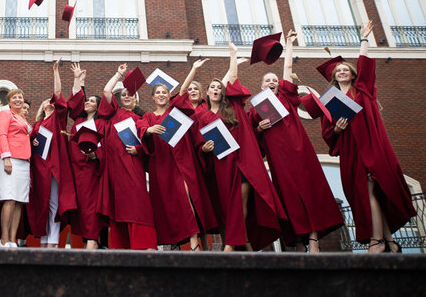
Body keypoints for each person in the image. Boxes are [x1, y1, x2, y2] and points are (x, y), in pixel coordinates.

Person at [319, 21, 416, 253]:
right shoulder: (330, 101)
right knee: (367, 192)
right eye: (338, 70)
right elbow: (328, 133)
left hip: (370, 147)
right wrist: (338, 130)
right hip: (351, 150)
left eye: (346, 69)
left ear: (353, 75)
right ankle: (390, 241)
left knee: (371, 190)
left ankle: (376, 240)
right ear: (333, 77)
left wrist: (364, 40)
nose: (342, 71)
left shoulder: (362, 91)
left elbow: (365, 67)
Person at [249, 31, 343, 253]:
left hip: (298, 150)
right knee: (288, 197)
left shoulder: (286, 97)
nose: (272, 82)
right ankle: (297, 241)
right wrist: (259, 129)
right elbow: (252, 139)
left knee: (309, 191)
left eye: (274, 80)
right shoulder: (255, 108)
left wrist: (289, 44)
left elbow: (288, 70)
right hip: (277, 157)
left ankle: (313, 239)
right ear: (262, 86)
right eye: (267, 80)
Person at [196, 43, 287, 251]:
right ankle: (242, 242)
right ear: (207, 93)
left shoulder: (233, 108)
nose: (216, 90)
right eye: (213, 87)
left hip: (242, 163)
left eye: (220, 88)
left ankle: (231, 244)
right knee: (228, 205)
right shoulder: (203, 118)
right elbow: (199, 145)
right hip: (221, 166)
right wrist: (204, 149)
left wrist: (233, 57)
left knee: (241, 203)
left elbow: (232, 81)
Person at [138, 58, 218, 250]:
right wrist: (149, 130)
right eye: (157, 92)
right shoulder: (148, 116)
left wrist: (193, 69)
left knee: (186, 197)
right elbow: (141, 128)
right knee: (170, 204)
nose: (161, 95)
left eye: (164, 92)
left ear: (168, 95)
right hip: (161, 165)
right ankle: (178, 241)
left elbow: (182, 92)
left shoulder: (175, 111)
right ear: (152, 96)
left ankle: (193, 243)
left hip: (181, 162)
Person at [97, 64, 157, 250]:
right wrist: (119, 74)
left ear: (136, 99)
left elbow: (147, 142)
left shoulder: (141, 118)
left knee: (137, 202)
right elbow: (107, 90)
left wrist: (138, 150)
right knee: (119, 205)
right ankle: (122, 246)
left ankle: (145, 244)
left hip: (132, 164)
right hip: (114, 168)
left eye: (130, 94)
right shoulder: (114, 112)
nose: (126, 96)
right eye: (123, 94)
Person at [27, 59, 77, 248]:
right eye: (45, 103)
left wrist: (55, 71)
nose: (49, 103)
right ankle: (45, 239)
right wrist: (32, 142)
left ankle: (54, 242)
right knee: (43, 204)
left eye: (51, 102)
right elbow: (28, 145)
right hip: (39, 168)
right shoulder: (36, 126)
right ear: (41, 108)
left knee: (55, 203)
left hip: (55, 165)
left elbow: (57, 94)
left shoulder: (57, 120)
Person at [65, 63, 106, 250]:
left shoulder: (101, 123)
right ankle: (88, 239)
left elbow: (105, 145)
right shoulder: (79, 121)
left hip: (92, 169)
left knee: (92, 205)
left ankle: (93, 239)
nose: (87, 102)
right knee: (81, 205)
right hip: (76, 170)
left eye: (91, 101)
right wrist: (78, 80)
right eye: (86, 100)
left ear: (98, 106)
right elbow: (75, 103)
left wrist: (96, 155)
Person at [0, 87, 32, 247]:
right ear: (9, 101)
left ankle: (12, 239)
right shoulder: (6, 114)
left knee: (19, 201)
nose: (18, 99)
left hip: (24, 160)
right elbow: (2, 134)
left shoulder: (23, 118)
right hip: (10, 159)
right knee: (9, 199)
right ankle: (3, 239)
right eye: (14, 97)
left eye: (20, 97)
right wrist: (6, 157)